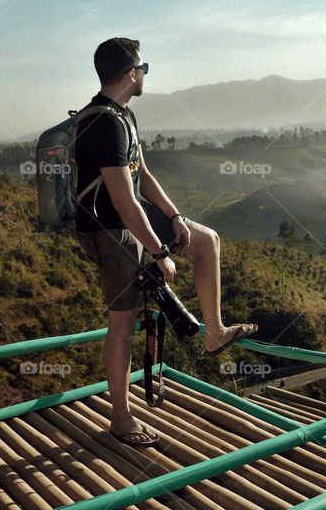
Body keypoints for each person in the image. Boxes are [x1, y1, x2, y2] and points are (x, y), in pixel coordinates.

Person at [74, 37, 258, 447]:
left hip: (130, 220)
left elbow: (143, 177)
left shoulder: (123, 115)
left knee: (207, 240)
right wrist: (159, 253)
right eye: (143, 68)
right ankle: (121, 419)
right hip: (110, 232)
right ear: (130, 73)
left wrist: (174, 218)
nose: (145, 74)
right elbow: (123, 200)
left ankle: (214, 332)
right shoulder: (104, 124)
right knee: (122, 324)